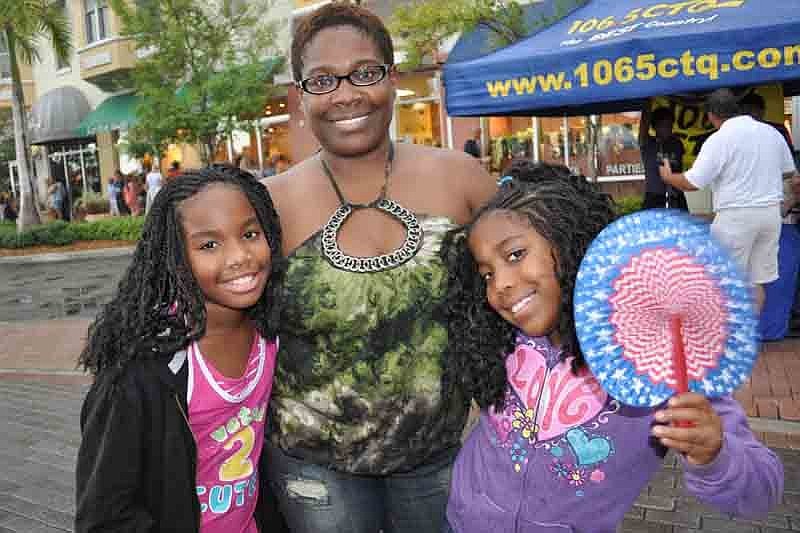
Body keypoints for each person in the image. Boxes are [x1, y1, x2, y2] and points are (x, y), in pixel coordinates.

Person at [441, 167, 784, 533]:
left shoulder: (657, 361)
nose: (501, 286)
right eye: (487, 273)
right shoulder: (500, 337)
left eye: (515, 255)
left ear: (570, 240)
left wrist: (715, 456)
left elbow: (763, 490)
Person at [260, 4, 496, 532]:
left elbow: (529, 284)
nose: (347, 95)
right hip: (314, 468)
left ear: (391, 80)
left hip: (435, 457)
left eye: (365, 73)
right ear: (300, 98)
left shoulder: (461, 179)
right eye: (323, 80)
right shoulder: (268, 205)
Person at [74, 165, 287, 532]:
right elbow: (104, 515)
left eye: (250, 233)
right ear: (175, 257)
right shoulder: (141, 369)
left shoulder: (271, 335)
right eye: (209, 244)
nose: (239, 256)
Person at [660, 88, 799, 314]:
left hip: (737, 218)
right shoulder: (771, 133)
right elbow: (788, 172)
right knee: (756, 284)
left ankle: (732, 343)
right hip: (769, 216)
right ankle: (749, 342)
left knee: (723, 284)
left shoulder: (719, 139)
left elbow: (691, 183)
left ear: (711, 115)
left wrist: (668, 176)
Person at [639, 105, 689, 210]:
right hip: (654, 197)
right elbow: (643, 126)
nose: (668, 129)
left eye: (670, 125)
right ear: (655, 127)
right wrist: (647, 104)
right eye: (664, 125)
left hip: (676, 197)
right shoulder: (648, 143)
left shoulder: (676, 143)